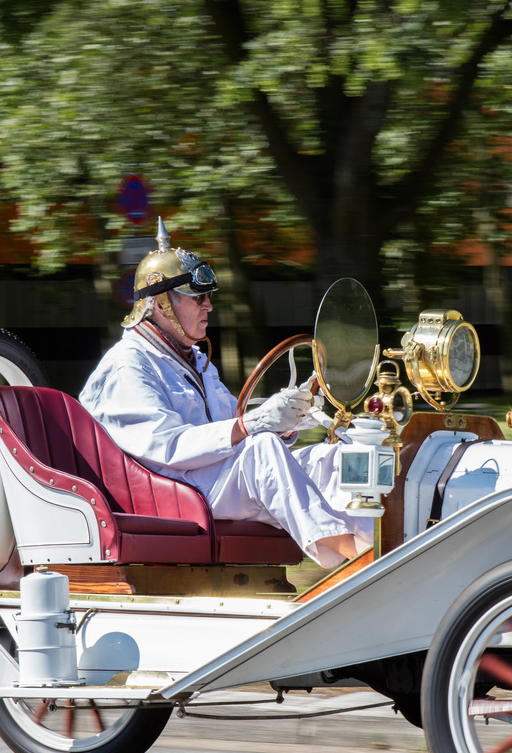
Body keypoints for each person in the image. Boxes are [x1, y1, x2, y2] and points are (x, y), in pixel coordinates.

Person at [79, 220, 374, 568]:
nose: (208, 306)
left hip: (211, 478)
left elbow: (232, 424)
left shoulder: (194, 360)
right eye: (197, 298)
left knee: (334, 456)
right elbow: (169, 448)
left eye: (208, 297)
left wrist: (287, 418)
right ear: (161, 304)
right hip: (170, 490)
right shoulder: (128, 366)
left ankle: (379, 543)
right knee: (262, 451)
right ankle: (355, 557)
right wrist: (255, 425)